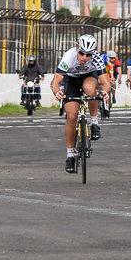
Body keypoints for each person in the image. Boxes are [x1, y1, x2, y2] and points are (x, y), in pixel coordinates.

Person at [51, 34, 111, 174]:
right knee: (71, 117)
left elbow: (105, 81)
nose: (84, 57)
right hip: (71, 80)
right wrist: (56, 91)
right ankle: (70, 155)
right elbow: (56, 81)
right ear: (77, 49)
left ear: (93, 53)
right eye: (81, 53)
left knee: (91, 90)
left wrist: (106, 92)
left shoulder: (97, 58)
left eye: (88, 54)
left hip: (89, 77)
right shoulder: (69, 56)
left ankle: (94, 123)